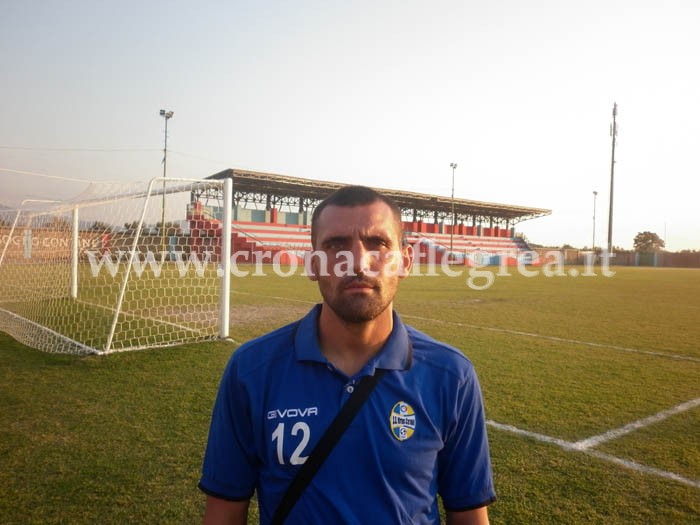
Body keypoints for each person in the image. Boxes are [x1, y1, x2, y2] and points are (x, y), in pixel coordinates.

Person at [199, 185, 496, 524]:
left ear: (406, 261)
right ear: (313, 265)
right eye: (336, 245)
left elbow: (469, 514)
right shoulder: (251, 370)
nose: (357, 262)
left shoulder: (451, 375)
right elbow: (224, 512)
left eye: (378, 244)